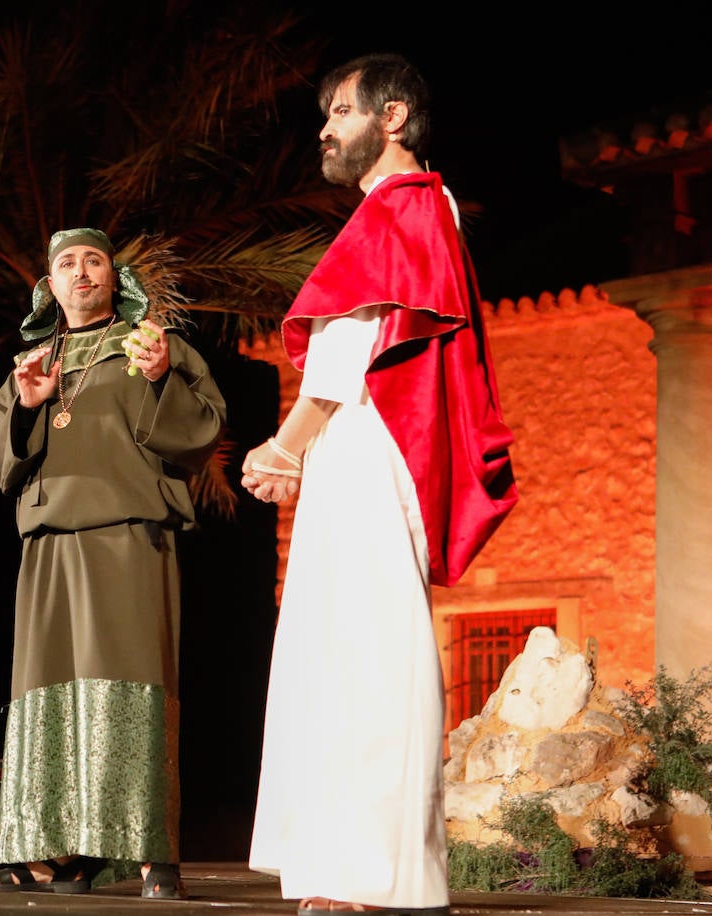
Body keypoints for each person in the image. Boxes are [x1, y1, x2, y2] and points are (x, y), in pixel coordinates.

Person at [243, 54, 518, 914]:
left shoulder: (402, 208)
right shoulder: (418, 209)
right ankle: (350, 871)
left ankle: (369, 876)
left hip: (367, 440)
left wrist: (285, 445)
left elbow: (347, 348)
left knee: (361, 648)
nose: (323, 128)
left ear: (391, 117)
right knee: (343, 646)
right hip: (362, 443)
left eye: (340, 110)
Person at [0, 228, 226, 898]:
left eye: (94, 261)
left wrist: (158, 377)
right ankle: (51, 852)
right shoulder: (31, 363)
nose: (82, 272)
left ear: (114, 278)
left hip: (127, 535)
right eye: (67, 263)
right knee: (49, 690)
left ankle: (149, 853)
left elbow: (201, 431)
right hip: (51, 542)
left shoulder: (150, 345)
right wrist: (27, 406)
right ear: (48, 286)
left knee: (131, 683)